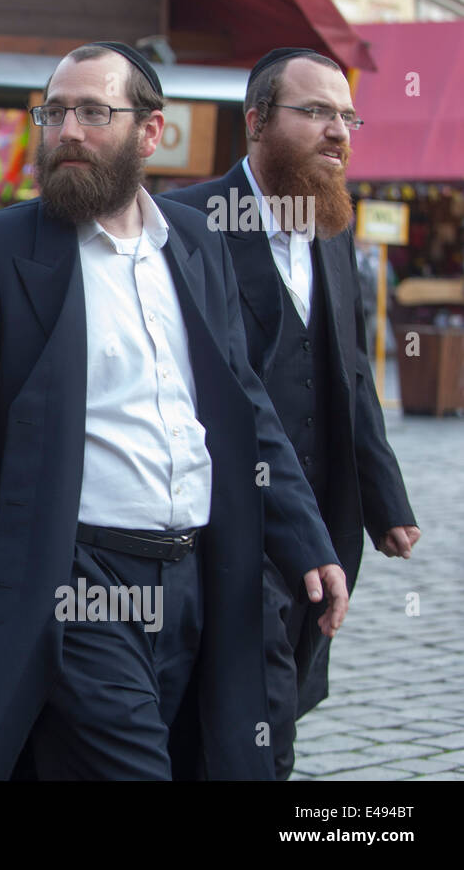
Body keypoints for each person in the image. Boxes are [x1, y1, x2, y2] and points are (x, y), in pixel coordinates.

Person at [0, 42, 349, 781]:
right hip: (79, 583)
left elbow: (245, 406)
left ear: (149, 133)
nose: (67, 131)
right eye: (54, 112)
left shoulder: (196, 241)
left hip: (202, 576)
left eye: (93, 112)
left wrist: (309, 541)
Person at [160, 47, 418, 779]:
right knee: (256, 722)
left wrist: (384, 499)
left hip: (322, 524)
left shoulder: (332, 229)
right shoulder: (186, 221)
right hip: (223, 526)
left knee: (276, 702)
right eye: (316, 112)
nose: (338, 131)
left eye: (347, 117)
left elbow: (351, 374)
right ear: (256, 122)